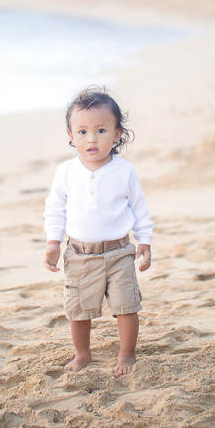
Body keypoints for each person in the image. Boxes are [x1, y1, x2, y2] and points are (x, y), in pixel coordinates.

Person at [43, 86, 152, 377]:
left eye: (102, 130)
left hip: (119, 252)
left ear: (117, 134)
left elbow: (139, 208)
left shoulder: (124, 171)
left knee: (127, 306)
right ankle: (83, 354)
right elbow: (55, 209)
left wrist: (145, 241)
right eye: (82, 132)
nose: (91, 139)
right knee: (78, 310)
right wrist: (54, 242)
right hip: (79, 255)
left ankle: (127, 353)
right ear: (70, 135)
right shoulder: (66, 172)